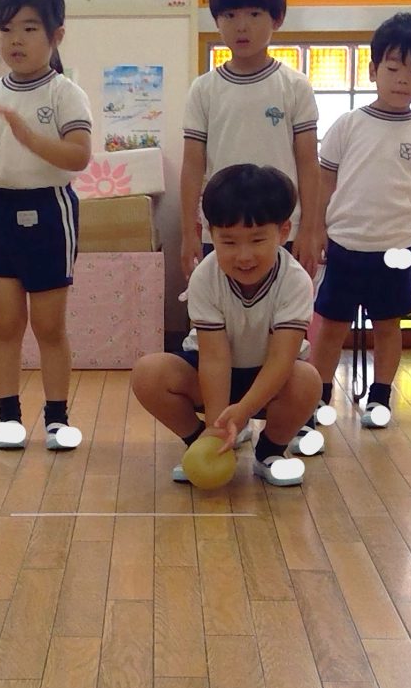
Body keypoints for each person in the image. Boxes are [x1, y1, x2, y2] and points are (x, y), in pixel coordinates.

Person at [0, 0, 92, 451]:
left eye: (30, 28)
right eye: (6, 28)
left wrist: (30, 139)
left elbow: (79, 156)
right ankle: (8, 417)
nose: (15, 39)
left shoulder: (65, 93)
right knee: (6, 324)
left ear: (56, 35)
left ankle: (56, 419)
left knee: (49, 327)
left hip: (50, 211)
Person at [295, 11, 411, 444]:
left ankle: (380, 398)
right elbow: (325, 181)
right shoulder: (349, 125)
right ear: (373, 69)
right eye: (393, 68)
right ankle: (319, 397)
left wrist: (404, 207)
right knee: (331, 325)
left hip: (395, 248)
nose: (403, 80)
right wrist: (317, 229)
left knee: (387, 324)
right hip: (345, 243)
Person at [131, 164, 321, 487]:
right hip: (211, 373)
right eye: (229, 242)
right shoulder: (205, 277)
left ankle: (269, 454)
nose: (244, 256)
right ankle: (204, 446)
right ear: (210, 233)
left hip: (268, 376)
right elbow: (215, 358)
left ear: (283, 232)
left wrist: (244, 410)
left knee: (307, 381)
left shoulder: (295, 281)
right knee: (148, 374)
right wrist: (216, 429)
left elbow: (281, 359)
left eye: (257, 240)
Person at [180, 0, 321, 283]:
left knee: (283, 308)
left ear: (277, 18)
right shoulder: (204, 89)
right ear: (217, 20)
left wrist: (310, 230)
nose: (241, 26)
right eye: (230, 15)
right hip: (222, 230)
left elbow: (308, 163)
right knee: (221, 308)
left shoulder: (295, 86)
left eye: (254, 14)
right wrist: (189, 232)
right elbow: (192, 165)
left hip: (281, 228)